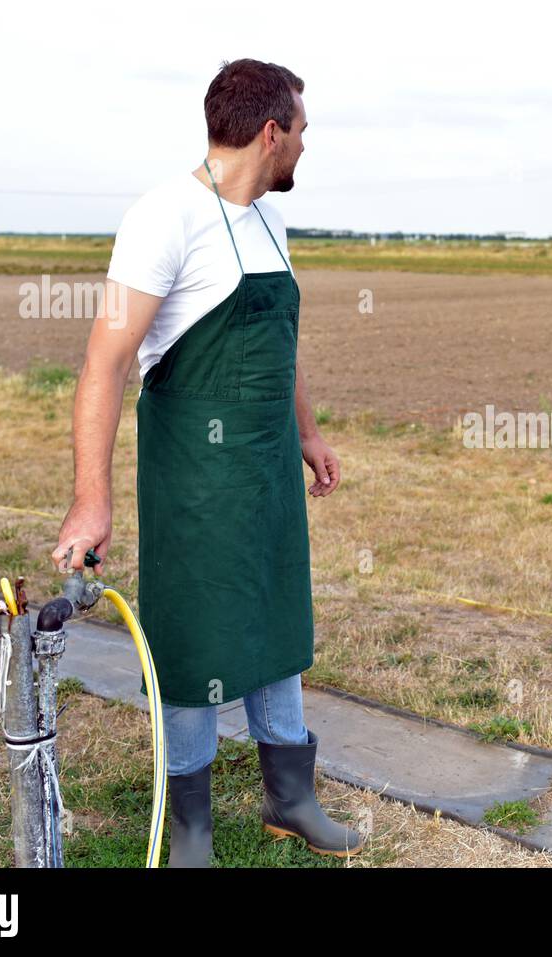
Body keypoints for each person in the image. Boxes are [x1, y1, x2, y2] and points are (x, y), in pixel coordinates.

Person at [53, 58, 364, 865]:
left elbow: (281, 344)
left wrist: (309, 432)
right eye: (301, 133)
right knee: (193, 633)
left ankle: (290, 795)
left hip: (265, 465)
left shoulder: (268, 219)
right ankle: (189, 820)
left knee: (275, 613)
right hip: (192, 470)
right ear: (271, 132)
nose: (304, 148)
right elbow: (104, 362)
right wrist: (92, 499)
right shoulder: (162, 217)